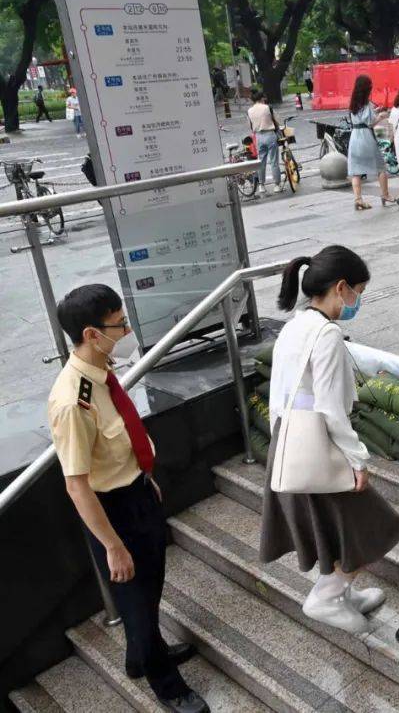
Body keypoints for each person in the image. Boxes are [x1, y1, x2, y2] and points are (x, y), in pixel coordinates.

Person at [48, 285, 209, 713]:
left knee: (150, 586)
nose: (127, 329)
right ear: (91, 333)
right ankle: (167, 685)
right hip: (113, 513)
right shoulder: (72, 401)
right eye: (119, 324)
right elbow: (77, 485)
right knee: (135, 602)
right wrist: (112, 545)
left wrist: (143, 476)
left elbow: (119, 441)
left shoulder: (102, 372)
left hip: (137, 493)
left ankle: (141, 654)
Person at [260, 246, 399, 633]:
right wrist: (357, 460)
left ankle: (339, 590)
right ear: (341, 288)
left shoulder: (295, 326)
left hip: (292, 444)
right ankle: (326, 597)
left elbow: (282, 394)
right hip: (321, 447)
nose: (358, 300)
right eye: (357, 291)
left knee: (342, 529)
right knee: (374, 527)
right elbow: (330, 408)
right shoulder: (325, 335)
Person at [346, 75, 391, 210]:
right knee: (381, 167)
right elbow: (370, 122)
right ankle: (385, 195)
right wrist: (381, 116)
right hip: (365, 137)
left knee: (356, 172)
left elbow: (361, 116)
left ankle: (358, 199)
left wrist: (375, 111)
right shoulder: (366, 103)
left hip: (354, 137)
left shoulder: (353, 102)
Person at [247, 91, 281, 195]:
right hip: (270, 134)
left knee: (261, 162)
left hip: (258, 136)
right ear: (262, 98)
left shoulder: (249, 111)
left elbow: (250, 126)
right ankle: (276, 185)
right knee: (274, 161)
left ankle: (261, 185)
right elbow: (277, 120)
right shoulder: (267, 108)